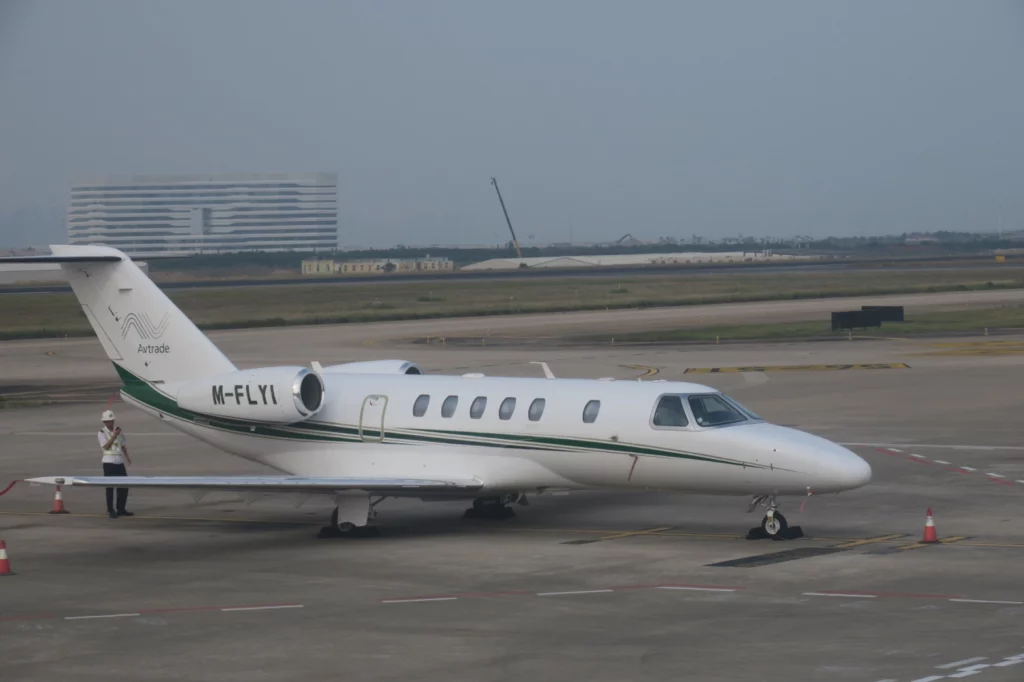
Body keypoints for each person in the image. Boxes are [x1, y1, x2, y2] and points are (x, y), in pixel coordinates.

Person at [98, 409, 133, 518]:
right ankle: (110, 510)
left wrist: (127, 457)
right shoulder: (101, 433)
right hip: (108, 462)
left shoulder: (119, 431)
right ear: (104, 422)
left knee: (123, 486)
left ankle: (121, 508)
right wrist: (114, 435)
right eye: (108, 421)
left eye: (112, 420)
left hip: (119, 461)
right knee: (110, 487)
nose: (110, 423)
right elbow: (106, 446)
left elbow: (122, 444)